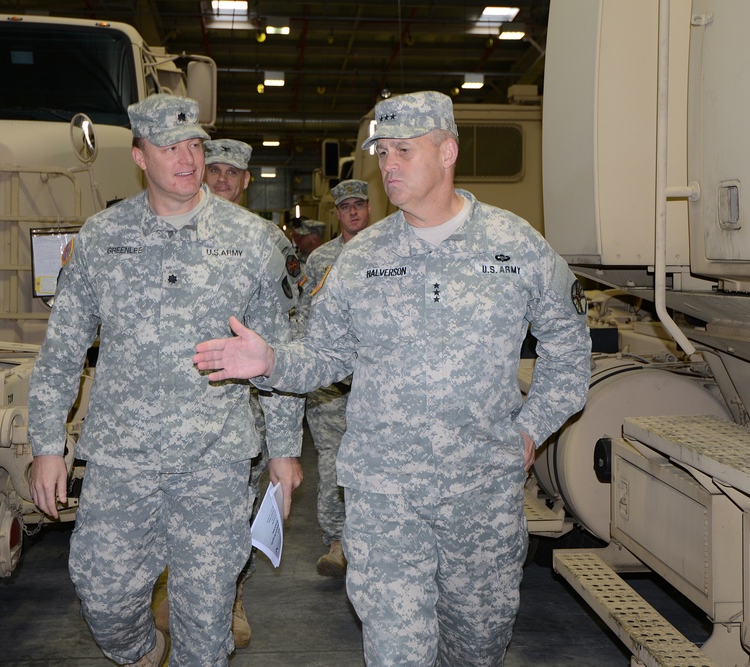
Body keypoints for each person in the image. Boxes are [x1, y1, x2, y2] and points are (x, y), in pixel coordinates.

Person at [193, 90, 591, 666]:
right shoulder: (361, 259)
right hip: (385, 495)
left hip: (481, 494)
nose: (389, 165)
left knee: (478, 646)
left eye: (405, 150)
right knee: (396, 651)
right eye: (383, 152)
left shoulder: (516, 246)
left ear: (448, 150)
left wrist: (530, 430)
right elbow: (325, 357)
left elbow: (569, 350)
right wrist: (274, 362)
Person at [27, 93, 303, 667]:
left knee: (204, 627)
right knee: (101, 594)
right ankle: (144, 651)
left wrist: (283, 452)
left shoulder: (251, 241)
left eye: (194, 145)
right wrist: (47, 446)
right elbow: (61, 351)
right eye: (169, 146)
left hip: (214, 461)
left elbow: (279, 354)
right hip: (121, 459)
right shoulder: (102, 238)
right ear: (138, 155)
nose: (187, 158)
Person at [199, 136, 301, 648]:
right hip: (178, 403)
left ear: (244, 181)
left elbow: (285, 331)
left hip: (243, 407)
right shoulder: (172, 230)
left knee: (236, 512)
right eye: (213, 169)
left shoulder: (266, 243)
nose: (222, 179)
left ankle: (231, 598)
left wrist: (283, 434)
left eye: (231, 173)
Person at [293, 179, 372, 577]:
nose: (353, 212)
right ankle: (338, 542)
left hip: (377, 383)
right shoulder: (320, 259)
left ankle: (371, 543)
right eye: (346, 207)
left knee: (376, 465)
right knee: (332, 463)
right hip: (329, 388)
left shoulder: (387, 251)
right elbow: (306, 319)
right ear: (337, 214)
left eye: (360, 204)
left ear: (369, 208)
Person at [204, 138, 252, 206]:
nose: (221, 179)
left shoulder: (250, 217)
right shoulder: (186, 216)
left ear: (245, 179)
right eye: (215, 171)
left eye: (232, 172)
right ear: (202, 176)